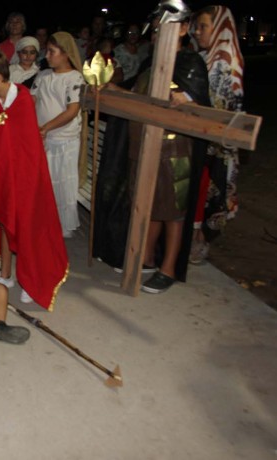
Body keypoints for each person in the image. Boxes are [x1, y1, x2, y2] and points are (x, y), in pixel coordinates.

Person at [0, 50, 68, 308]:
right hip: (0, 178)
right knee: (5, 223)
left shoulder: (23, 102)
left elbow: (26, 148)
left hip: (26, 178)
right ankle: (6, 274)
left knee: (26, 228)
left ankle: (29, 279)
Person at [130, 12, 211, 293]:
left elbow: (199, 98)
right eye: (155, 29)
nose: (158, 34)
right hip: (149, 145)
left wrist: (186, 98)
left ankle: (169, 267)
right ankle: (148, 257)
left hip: (177, 148)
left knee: (174, 209)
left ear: (183, 29)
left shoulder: (190, 62)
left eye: (165, 28)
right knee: (152, 204)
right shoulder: (152, 62)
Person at [189, 5, 244, 264]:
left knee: (207, 197)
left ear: (219, 27)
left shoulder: (225, 61)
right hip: (204, 142)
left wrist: (188, 103)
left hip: (215, 148)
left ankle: (198, 245)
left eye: (203, 26)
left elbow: (217, 108)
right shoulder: (208, 57)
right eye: (196, 26)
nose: (197, 32)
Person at [31, 31, 85, 238]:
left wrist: (46, 127)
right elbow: (32, 101)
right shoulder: (43, 76)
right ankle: (44, 220)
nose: (47, 56)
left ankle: (62, 226)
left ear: (65, 53)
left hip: (64, 140)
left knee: (62, 181)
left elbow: (71, 111)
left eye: (52, 52)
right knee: (44, 181)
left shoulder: (74, 78)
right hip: (43, 138)